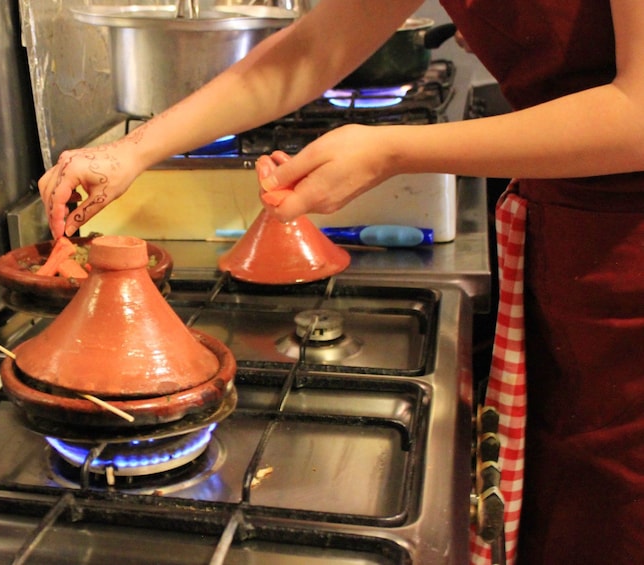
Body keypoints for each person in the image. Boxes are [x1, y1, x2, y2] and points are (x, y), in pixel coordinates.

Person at [38, 1, 644, 564]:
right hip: (568, 238)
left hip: (629, 260)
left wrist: (393, 152)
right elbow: (315, 48)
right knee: (567, 494)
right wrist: (133, 152)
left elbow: (637, 110)